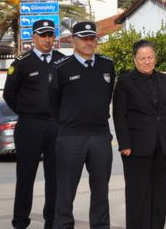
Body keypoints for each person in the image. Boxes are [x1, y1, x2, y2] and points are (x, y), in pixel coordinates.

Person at [50, 21, 116, 229]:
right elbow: (52, 103)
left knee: (100, 190)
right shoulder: (61, 68)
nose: (89, 43)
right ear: (72, 40)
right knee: (66, 190)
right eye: (84, 38)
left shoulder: (107, 65)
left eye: (92, 38)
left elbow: (107, 96)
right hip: (71, 137)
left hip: (100, 136)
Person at [3, 20, 64, 229]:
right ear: (34, 37)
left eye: (50, 35)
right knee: (26, 177)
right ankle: (20, 222)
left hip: (56, 126)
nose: (47, 39)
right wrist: (27, 112)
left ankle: (52, 220)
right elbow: (9, 94)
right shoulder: (22, 62)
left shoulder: (62, 61)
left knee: (55, 177)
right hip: (30, 126)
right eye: (43, 35)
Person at [113, 40, 166, 228]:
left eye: (150, 57)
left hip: (163, 145)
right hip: (135, 147)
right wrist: (124, 144)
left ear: (155, 58)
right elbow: (119, 114)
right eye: (142, 58)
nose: (147, 61)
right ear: (135, 60)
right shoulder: (125, 82)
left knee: (160, 193)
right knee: (138, 194)